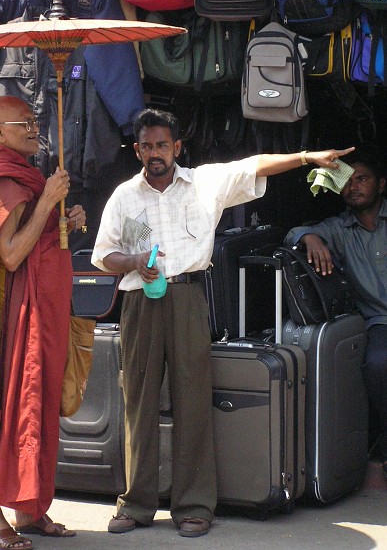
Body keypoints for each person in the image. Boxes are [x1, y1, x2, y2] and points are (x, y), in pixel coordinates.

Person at [91, 107, 354, 538]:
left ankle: (194, 505)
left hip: (189, 297)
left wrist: (307, 157)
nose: (154, 153)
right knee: (137, 402)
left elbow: (254, 165)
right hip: (139, 300)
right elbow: (104, 256)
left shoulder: (205, 182)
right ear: (137, 149)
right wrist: (136, 261)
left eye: (162, 145)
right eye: (147, 146)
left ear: (177, 147)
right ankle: (136, 504)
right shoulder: (124, 195)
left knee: (193, 401)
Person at [0, 95, 87, 550]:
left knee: (38, 408)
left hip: (39, 313)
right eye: (24, 123)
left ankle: (29, 510)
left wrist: (65, 216)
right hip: (10, 320)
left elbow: (39, 232)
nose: (35, 128)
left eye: (34, 120)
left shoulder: (25, 175)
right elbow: (11, 255)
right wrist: (50, 199)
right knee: (10, 407)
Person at [284, 152, 387, 476]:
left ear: (381, 184)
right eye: (346, 181)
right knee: (377, 364)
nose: (353, 187)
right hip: (379, 321)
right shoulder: (338, 229)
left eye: (362, 178)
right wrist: (310, 237)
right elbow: (292, 233)